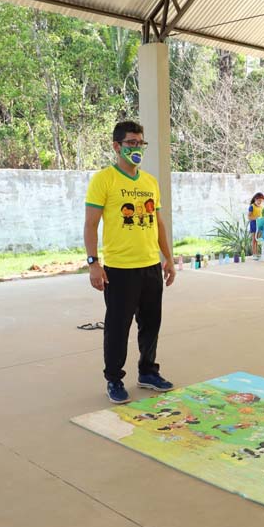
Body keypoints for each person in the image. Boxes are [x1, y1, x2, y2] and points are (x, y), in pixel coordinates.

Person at [84, 120, 176, 404]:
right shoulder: (104, 179)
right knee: (117, 327)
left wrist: (168, 258)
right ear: (117, 146)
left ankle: (147, 372)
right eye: (131, 143)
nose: (136, 148)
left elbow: (158, 223)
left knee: (151, 324)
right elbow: (91, 224)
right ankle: (114, 378)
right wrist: (93, 263)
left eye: (140, 143)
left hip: (150, 266)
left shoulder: (150, 182)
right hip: (120, 270)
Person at [247, 192, 264, 257]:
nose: (260, 202)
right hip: (253, 224)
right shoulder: (252, 206)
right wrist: (256, 218)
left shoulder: (261, 207)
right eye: (259, 200)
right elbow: (249, 217)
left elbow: (260, 216)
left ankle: (256, 253)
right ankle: (254, 254)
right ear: (255, 199)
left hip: (259, 225)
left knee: (257, 239)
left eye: (261, 201)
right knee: (254, 239)